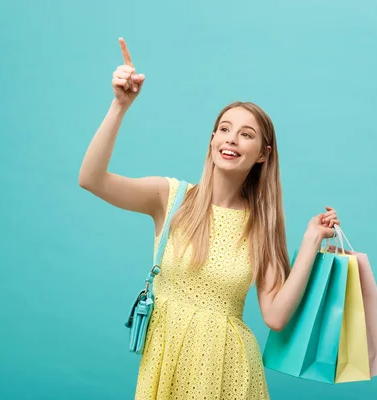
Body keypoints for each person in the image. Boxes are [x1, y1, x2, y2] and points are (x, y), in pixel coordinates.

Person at [79, 38, 341, 400]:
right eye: (225, 128)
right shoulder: (170, 198)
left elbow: (276, 317)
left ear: (263, 154)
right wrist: (119, 106)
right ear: (212, 139)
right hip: (166, 365)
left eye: (246, 134)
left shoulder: (260, 228)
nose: (231, 139)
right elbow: (91, 179)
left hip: (229, 373)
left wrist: (311, 242)